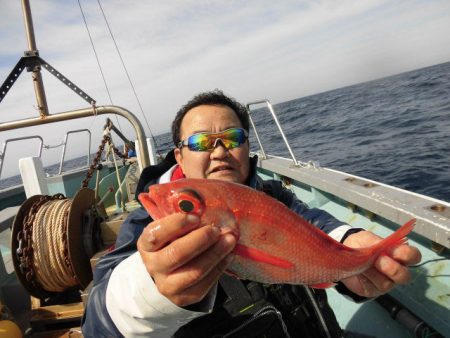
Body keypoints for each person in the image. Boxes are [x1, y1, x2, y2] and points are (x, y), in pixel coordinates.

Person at [82, 90, 421, 337]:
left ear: (246, 147)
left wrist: (350, 251)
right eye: (201, 142)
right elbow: (98, 323)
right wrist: (150, 290)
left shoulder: (273, 197)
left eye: (232, 137)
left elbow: (315, 224)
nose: (218, 151)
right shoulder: (146, 225)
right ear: (179, 156)